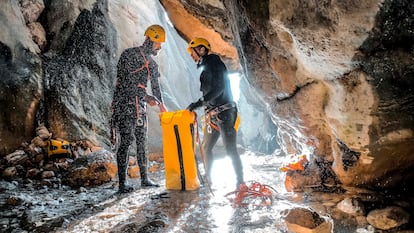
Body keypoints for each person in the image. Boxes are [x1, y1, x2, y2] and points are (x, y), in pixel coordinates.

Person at [110, 24, 167, 193]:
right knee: (126, 141)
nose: (160, 47)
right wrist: (146, 97)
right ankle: (122, 184)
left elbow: (156, 88)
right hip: (124, 103)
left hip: (139, 105)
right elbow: (124, 82)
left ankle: (145, 179)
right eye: (158, 43)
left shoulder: (153, 65)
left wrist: (162, 106)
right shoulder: (129, 55)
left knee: (142, 141)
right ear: (150, 39)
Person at [186, 37, 244, 188]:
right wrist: (203, 109)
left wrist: (197, 104)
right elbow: (211, 92)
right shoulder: (206, 67)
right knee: (206, 147)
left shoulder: (214, 62)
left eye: (192, 51)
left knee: (230, 148)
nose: (191, 55)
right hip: (213, 114)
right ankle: (208, 178)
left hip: (225, 113)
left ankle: (240, 183)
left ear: (201, 50)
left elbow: (218, 89)